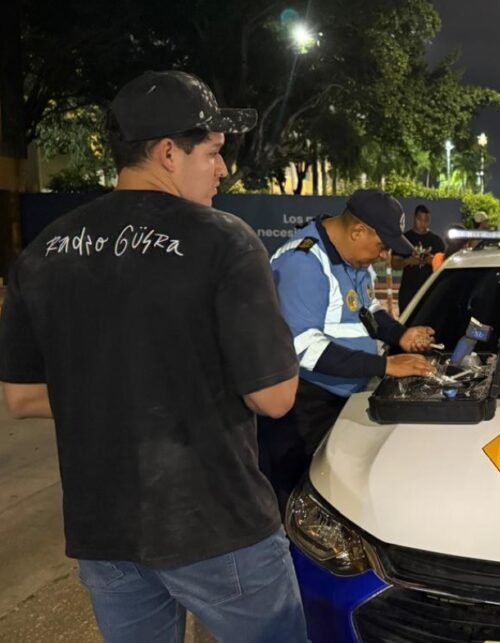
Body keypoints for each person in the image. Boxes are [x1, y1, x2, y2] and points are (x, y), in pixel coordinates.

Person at [0, 71, 308, 642]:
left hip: (104, 531)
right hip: (218, 526)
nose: (221, 169)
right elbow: (273, 395)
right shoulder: (226, 241)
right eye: (213, 153)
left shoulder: (43, 253)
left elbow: (19, 398)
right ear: (169, 152)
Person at [259, 190, 437, 512]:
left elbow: (368, 309)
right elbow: (304, 350)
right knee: (296, 504)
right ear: (358, 231)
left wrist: (401, 335)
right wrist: (383, 366)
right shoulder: (304, 262)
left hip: (342, 399)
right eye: (381, 245)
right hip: (303, 407)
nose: (383, 256)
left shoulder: (353, 257)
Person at [392, 204, 447, 313]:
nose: (423, 223)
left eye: (426, 220)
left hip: (429, 291)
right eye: (420, 219)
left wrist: (432, 260)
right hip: (408, 292)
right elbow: (394, 263)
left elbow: (444, 265)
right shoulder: (405, 239)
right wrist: (408, 261)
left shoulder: (436, 241)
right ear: (414, 218)